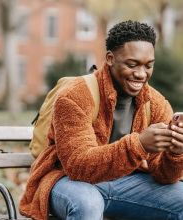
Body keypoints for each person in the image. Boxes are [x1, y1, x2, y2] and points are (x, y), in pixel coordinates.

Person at [19, 20, 183, 220]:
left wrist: (175, 153)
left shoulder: (156, 103)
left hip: (126, 184)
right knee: (87, 204)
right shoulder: (75, 95)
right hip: (67, 181)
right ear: (110, 58)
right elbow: (77, 167)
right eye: (132, 65)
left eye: (148, 65)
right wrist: (139, 145)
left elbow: (164, 176)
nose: (141, 74)